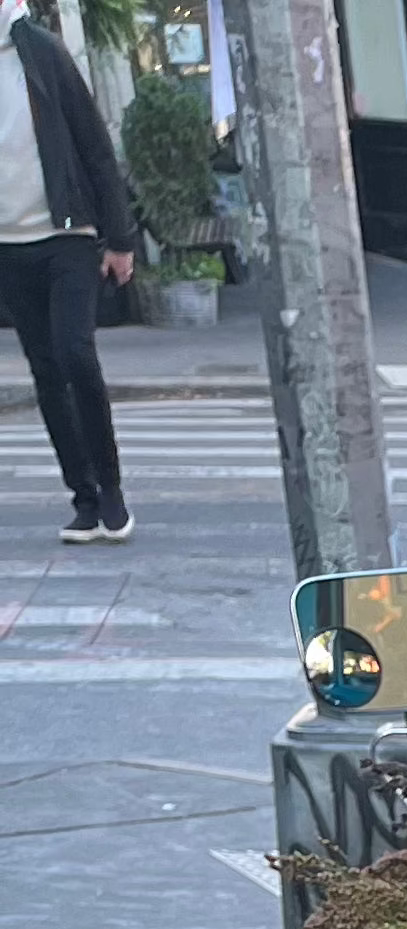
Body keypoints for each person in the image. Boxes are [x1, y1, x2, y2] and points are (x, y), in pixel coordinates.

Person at [0, 0, 137, 544]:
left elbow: (94, 145)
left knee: (75, 353)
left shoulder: (41, 52)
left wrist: (120, 239)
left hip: (69, 236)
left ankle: (111, 489)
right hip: (9, 246)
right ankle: (82, 498)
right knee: (45, 370)